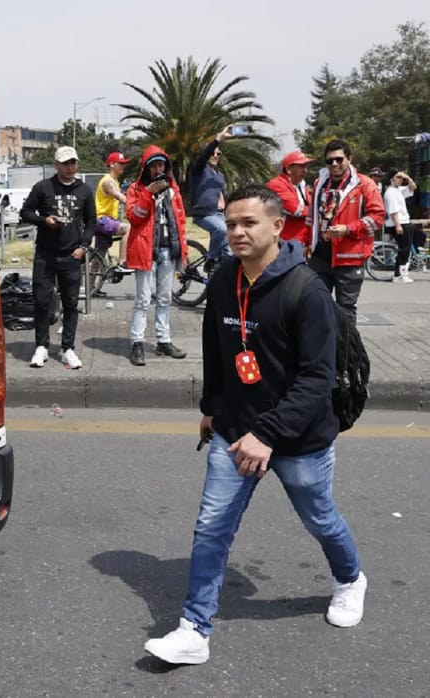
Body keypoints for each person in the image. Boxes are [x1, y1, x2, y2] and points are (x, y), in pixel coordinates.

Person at [144, 185, 366, 666]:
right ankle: (193, 629)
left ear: (277, 227)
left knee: (319, 518)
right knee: (211, 527)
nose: (237, 231)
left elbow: (316, 379)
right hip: (234, 427)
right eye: (231, 222)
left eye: (249, 223)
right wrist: (210, 406)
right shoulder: (225, 279)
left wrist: (268, 434)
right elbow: (217, 351)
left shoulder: (306, 291)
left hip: (298, 436)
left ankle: (350, 580)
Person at [20, 145, 97, 369]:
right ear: (56, 165)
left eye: (73, 162)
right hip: (45, 254)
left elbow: (92, 222)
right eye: (65, 163)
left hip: (72, 255)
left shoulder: (84, 190)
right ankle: (41, 346)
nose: (70, 167)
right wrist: (45, 221)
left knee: (71, 304)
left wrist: (83, 247)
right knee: (42, 301)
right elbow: (25, 212)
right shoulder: (43, 187)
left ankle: (67, 348)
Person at [307, 139, 384, 323]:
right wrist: (306, 243)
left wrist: (348, 229)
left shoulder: (364, 184)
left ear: (349, 159)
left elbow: (378, 218)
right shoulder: (320, 182)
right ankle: (321, 349)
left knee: (345, 311)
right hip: (320, 256)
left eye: (339, 159)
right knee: (314, 306)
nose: (334, 164)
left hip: (349, 258)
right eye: (329, 160)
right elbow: (311, 216)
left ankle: (347, 351)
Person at [124, 146, 187, 366]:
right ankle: (137, 342)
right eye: (154, 165)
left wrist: (183, 251)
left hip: (168, 250)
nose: (158, 169)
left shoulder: (173, 190)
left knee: (164, 298)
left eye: (161, 165)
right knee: (143, 299)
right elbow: (133, 217)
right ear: (146, 168)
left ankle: (163, 340)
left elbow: (180, 222)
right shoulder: (135, 189)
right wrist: (148, 194)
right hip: (146, 251)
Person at [189, 125, 235, 266]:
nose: (215, 155)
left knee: (228, 252)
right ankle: (211, 258)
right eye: (212, 153)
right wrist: (218, 139)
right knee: (221, 229)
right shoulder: (199, 170)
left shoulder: (219, 175)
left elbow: (223, 194)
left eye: (218, 154)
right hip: (205, 214)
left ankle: (221, 281)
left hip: (220, 214)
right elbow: (203, 157)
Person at [94, 151, 133, 284]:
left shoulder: (115, 181)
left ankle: (91, 287)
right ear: (111, 165)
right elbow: (119, 196)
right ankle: (122, 262)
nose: (123, 166)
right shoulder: (107, 181)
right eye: (120, 163)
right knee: (129, 228)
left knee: (99, 254)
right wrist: (137, 206)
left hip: (106, 220)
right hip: (103, 220)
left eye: (124, 163)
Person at [266, 150, 314, 249]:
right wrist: (317, 211)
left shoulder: (301, 186)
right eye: (301, 166)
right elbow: (296, 209)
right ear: (288, 169)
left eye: (306, 166)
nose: (305, 170)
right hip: (285, 243)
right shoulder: (276, 185)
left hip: (301, 242)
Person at [384, 169, 419, 282]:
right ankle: (398, 275)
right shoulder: (390, 192)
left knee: (416, 240)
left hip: (405, 222)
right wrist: (397, 225)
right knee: (404, 249)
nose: (400, 180)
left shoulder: (398, 190)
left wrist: (407, 177)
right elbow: (393, 211)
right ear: (391, 179)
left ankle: (404, 272)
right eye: (397, 177)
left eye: (401, 178)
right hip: (399, 223)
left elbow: (413, 187)